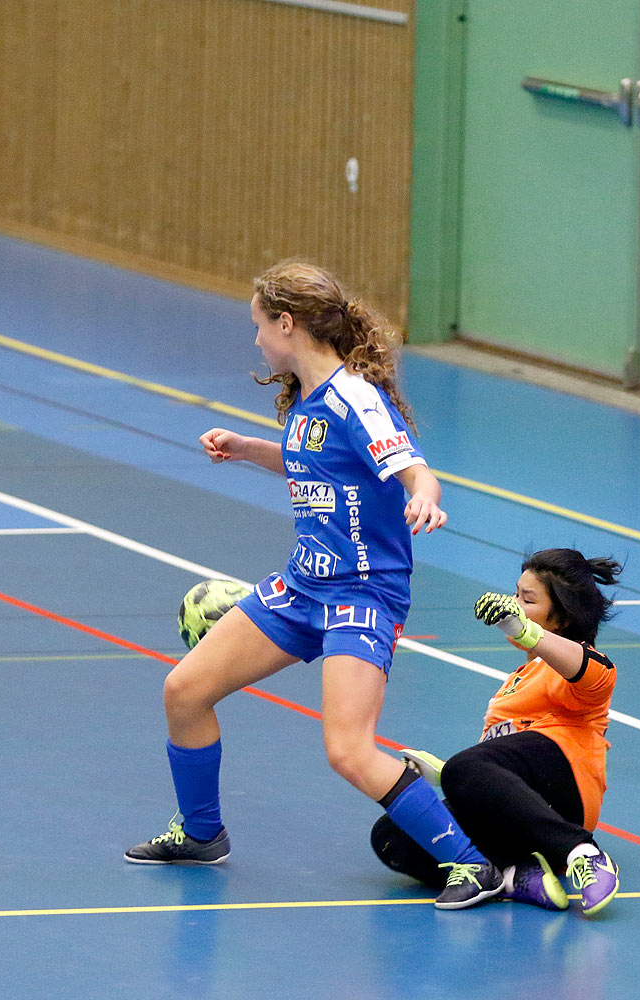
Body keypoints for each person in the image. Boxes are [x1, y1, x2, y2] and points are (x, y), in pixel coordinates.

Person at [125, 260, 504, 910]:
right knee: (185, 691)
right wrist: (249, 447)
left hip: (364, 595)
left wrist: (425, 498)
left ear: (287, 323)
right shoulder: (307, 399)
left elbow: (414, 469)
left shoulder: (356, 396)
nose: (255, 342)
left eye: (258, 326)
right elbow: (314, 464)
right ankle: (200, 831)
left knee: (349, 750)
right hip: (303, 587)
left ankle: (472, 865)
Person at [369, 549, 623, 916]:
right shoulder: (513, 684)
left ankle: (584, 855)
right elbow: (492, 771)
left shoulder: (569, 667)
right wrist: (442, 775)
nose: (514, 605)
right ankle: (513, 874)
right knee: (393, 835)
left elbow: (597, 673)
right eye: (515, 595)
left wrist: (529, 633)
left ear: (562, 617)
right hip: (517, 814)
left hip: (566, 795)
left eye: (527, 600)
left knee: (463, 769)